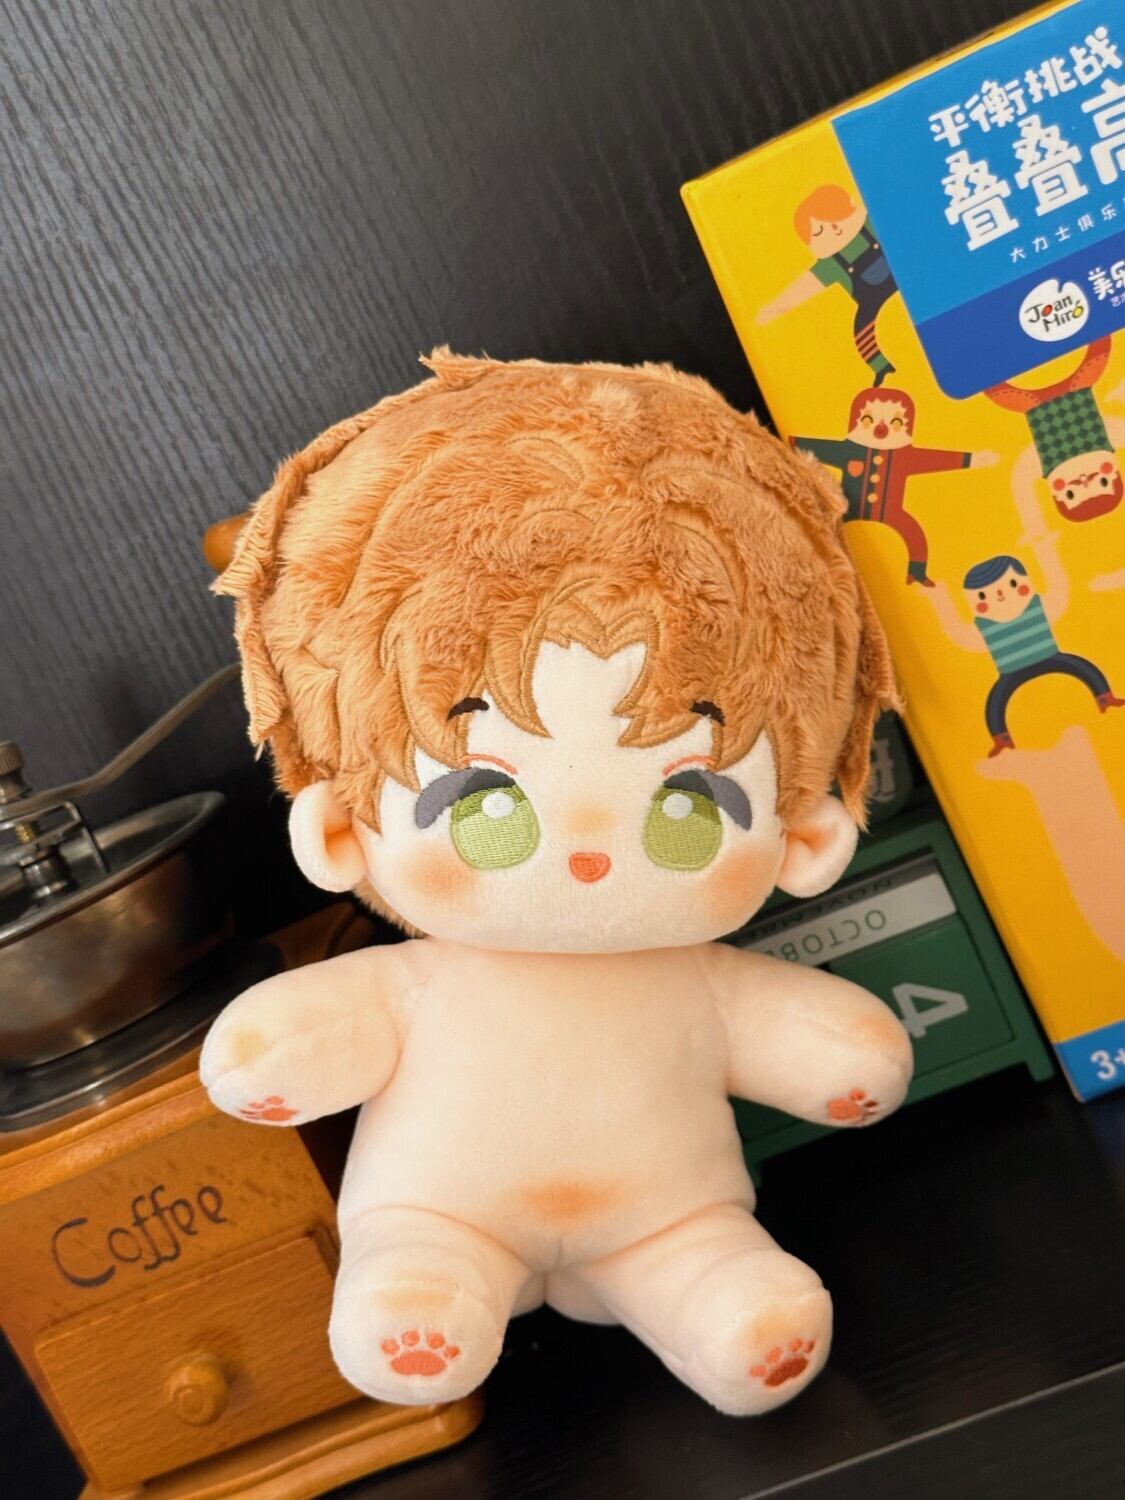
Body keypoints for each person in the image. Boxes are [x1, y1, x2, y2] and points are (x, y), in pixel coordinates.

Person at [792, 387, 997, 587]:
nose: (881, 428)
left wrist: (971, 460)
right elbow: (818, 446)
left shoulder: (906, 455)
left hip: (890, 510)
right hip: (849, 506)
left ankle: (917, 572)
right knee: (824, 530)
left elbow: (936, 459)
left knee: (913, 532)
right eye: (869, 420)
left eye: (896, 423)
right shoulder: (849, 449)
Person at [756, 184, 898, 385]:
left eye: (837, 218)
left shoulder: (872, 225)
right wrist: (771, 311)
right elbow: (802, 288)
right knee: (862, 334)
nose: (836, 229)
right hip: (871, 305)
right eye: (819, 231)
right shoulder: (832, 264)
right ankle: (882, 368)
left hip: (907, 281)